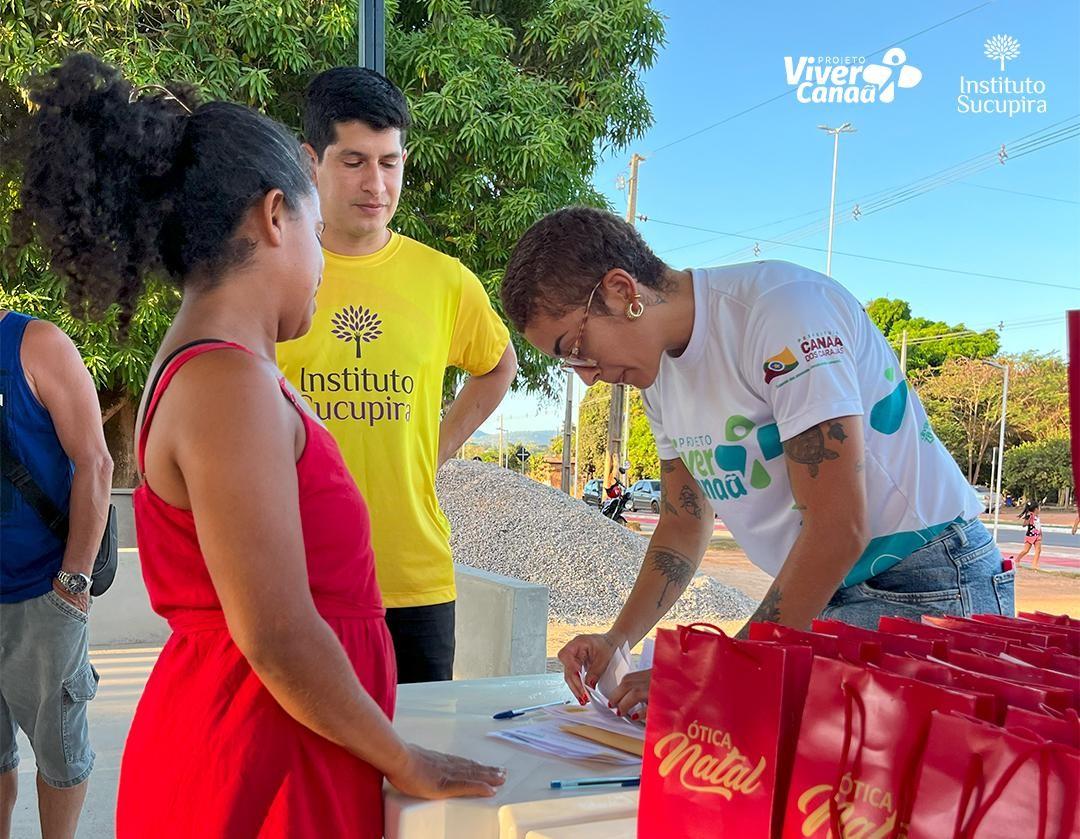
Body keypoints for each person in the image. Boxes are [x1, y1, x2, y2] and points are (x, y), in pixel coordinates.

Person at [11, 54, 504, 838]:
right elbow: (277, 632)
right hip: (258, 759)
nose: (321, 266)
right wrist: (403, 758)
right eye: (314, 225)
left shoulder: (228, 369)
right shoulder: (225, 385)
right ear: (276, 216)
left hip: (279, 739)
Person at [499, 206, 1014, 714]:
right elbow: (682, 525)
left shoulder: (783, 311)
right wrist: (618, 637)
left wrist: (721, 666)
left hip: (926, 584)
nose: (585, 374)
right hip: (825, 592)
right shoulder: (655, 376)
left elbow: (837, 527)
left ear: (622, 291)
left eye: (576, 346)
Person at [277, 67, 517, 684]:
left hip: (414, 579)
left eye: (389, 163)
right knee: (313, 774)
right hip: (300, 577)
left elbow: (498, 365)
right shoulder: (271, 272)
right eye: (354, 161)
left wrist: (437, 447)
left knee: (418, 768)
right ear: (311, 162)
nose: (375, 184)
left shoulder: (444, 280)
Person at [0, 310, 112, 839]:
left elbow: (95, 461)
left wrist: (74, 582)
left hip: (42, 594)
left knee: (60, 749)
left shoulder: (35, 343)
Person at [1014, 500, 1043, 570]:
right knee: (1026, 550)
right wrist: (1028, 519)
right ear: (1036, 509)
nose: (1040, 509)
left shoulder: (1037, 517)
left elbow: (1038, 526)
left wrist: (1041, 533)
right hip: (1030, 536)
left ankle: (1034, 565)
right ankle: (1017, 560)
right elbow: (1024, 525)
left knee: (1038, 550)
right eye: (1039, 508)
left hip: (1037, 536)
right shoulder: (1030, 516)